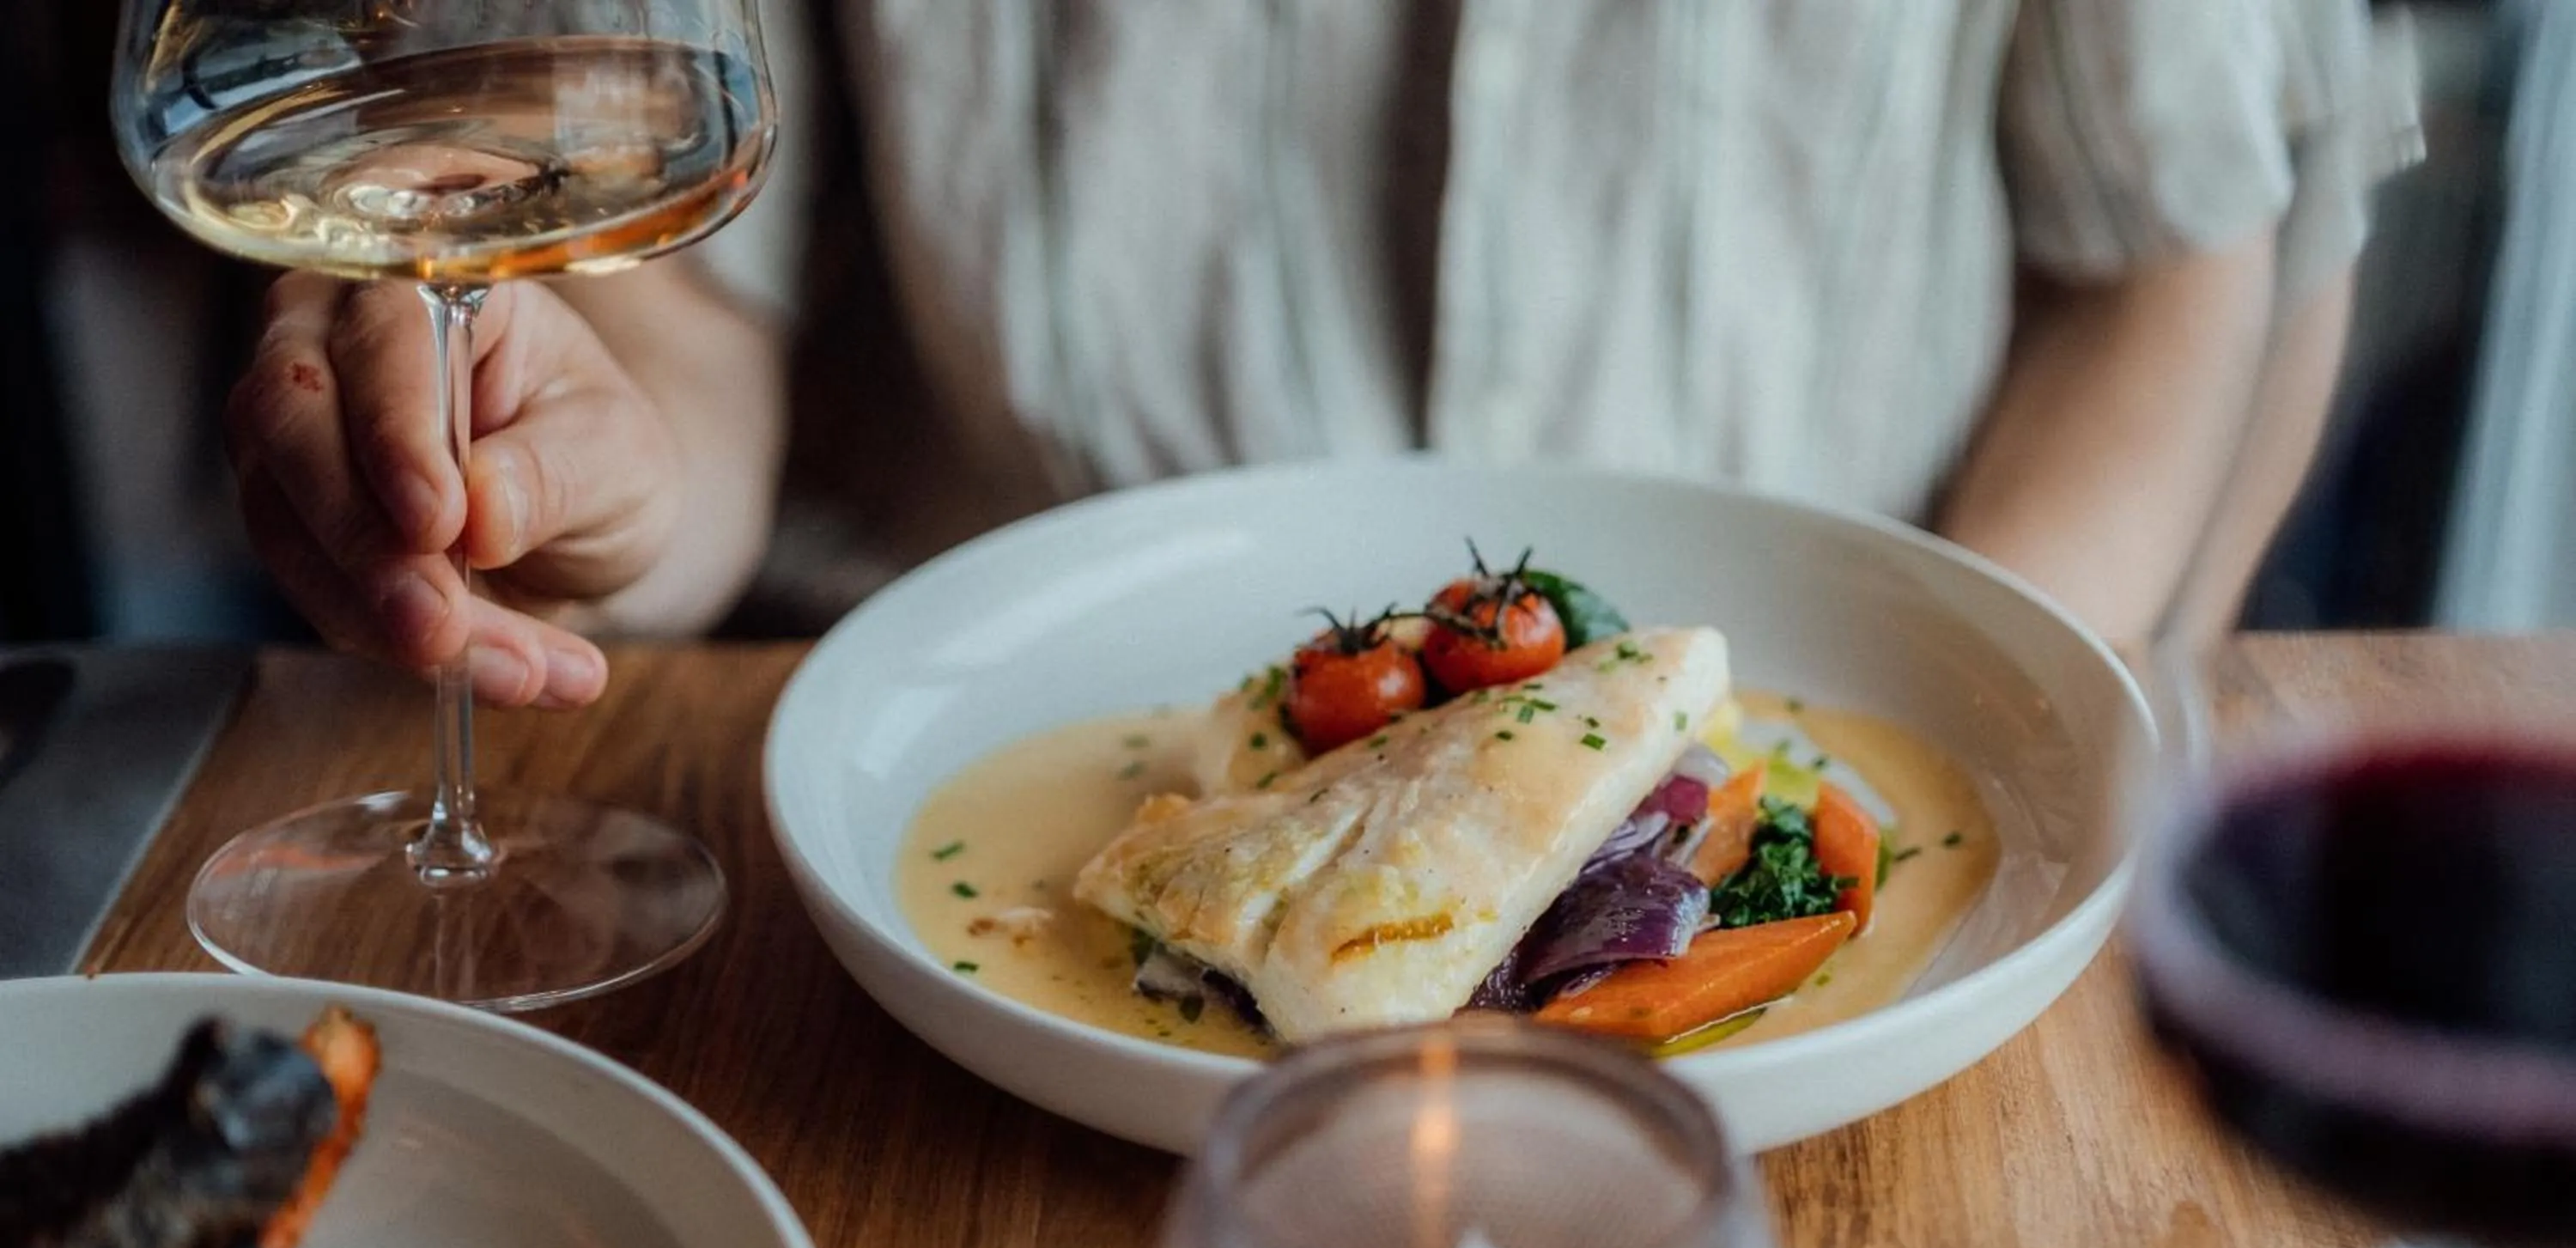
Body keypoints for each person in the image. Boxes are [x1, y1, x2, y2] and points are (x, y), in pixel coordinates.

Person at [219, 0, 2392, 711]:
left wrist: (1947, 740)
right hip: (959, 805)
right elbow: (674, 296)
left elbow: (2179, 261)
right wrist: (580, 464)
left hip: (1805, 747)